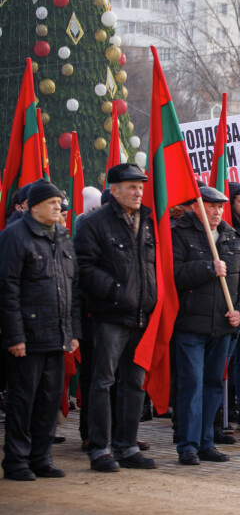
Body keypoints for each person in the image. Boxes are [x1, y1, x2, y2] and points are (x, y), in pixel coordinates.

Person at [74, 163, 159, 472]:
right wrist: (117, 291)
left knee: (134, 383)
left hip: (140, 315)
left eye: (141, 187)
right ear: (114, 190)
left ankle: (127, 446)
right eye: (132, 186)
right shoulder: (94, 223)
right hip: (109, 315)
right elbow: (84, 268)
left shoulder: (147, 221)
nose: (138, 192)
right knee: (103, 382)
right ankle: (100, 447)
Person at [0, 180, 82, 481]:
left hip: (57, 334)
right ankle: (16, 461)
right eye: (52, 203)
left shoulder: (61, 236)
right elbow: (7, 289)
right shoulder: (15, 236)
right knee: (23, 401)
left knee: (49, 400)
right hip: (28, 335)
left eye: (59, 202)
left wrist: (72, 331)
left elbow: (72, 287)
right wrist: (15, 336)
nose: (58, 207)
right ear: (33, 207)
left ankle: (41, 458)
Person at [171, 186, 240, 466]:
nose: (217, 211)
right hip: (191, 326)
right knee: (191, 385)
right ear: (196, 207)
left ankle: (207, 441)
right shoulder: (180, 234)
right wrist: (208, 268)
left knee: (212, 386)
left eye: (220, 206)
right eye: (211, 206)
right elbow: (173, 274)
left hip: (223, 327)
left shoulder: (232, 238)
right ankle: (188, 445)